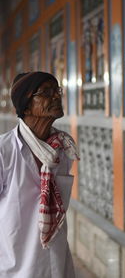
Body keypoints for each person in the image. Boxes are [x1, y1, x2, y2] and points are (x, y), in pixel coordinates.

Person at [0, 71, 79, 278]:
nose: (56, 97)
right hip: (16, 267)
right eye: (46, 92)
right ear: (26, 105)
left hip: (57, 261)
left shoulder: (63, 148)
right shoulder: (4, 151)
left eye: (57, 91)